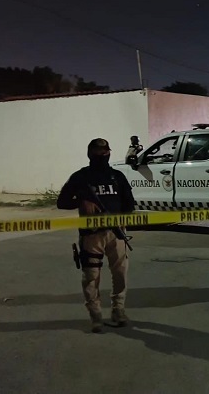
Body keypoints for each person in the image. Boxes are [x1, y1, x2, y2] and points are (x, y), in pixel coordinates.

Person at [57, 138, 136, 332]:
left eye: (105, 152)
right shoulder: (80, 177)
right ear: (90, 153)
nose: (102, 155)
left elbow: (129, 204)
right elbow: (62, 202)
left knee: (120, 274)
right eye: (98, 152)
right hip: (91, 235)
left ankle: (118, 310)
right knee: (91, 276)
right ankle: (96, 315)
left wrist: (123, 221)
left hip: (116, 233)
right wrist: (81, 202)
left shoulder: (117, 176)